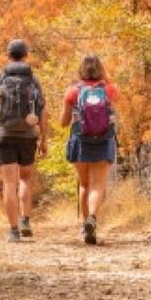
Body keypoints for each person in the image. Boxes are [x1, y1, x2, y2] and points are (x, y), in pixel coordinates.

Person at [0, 39, 48, 242]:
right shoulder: (33, 79)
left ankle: (13, 230)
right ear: (26, 55)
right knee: (25, 178)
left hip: (4, 135)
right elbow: (42, 111)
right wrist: (43, 137)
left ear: (8, 55)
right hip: (28, 135)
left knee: (9, 183)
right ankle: (25, 220)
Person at [61, 54, 118, 245]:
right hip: (103, 140)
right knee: (97, 185)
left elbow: (63, 122)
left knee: (84, 184)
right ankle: (93, 218)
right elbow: (112, 115)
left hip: (80, 140)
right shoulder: (109, 89)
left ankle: (85, 224)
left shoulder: (73, 91)